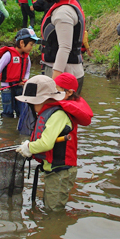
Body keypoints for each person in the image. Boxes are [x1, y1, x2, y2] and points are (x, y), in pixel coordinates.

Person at [16, 74, 94, 212]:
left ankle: (55, 230)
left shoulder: (57, 115)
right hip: (54, 169)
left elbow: (46, 144)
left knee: (54, 210)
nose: (31, 107)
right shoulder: (49, 112)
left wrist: (29, 147)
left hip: (60, 171)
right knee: (49, 204)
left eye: (32, 103)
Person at [38, 0, 86, 94]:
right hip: (68, 72)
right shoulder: (69, 4)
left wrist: (54, 82)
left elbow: (65, 47)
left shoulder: (63, 12)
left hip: (64, 75)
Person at [0, 28, 39, 118]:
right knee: (8, 109)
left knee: (20, 110)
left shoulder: (27, 58)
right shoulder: (8, 55)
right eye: (31, 45)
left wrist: (25, 79)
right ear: (21, 43)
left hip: (19, 85)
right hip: (6, 87)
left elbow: (27, 71)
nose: (32, 47)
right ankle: (7, 125)